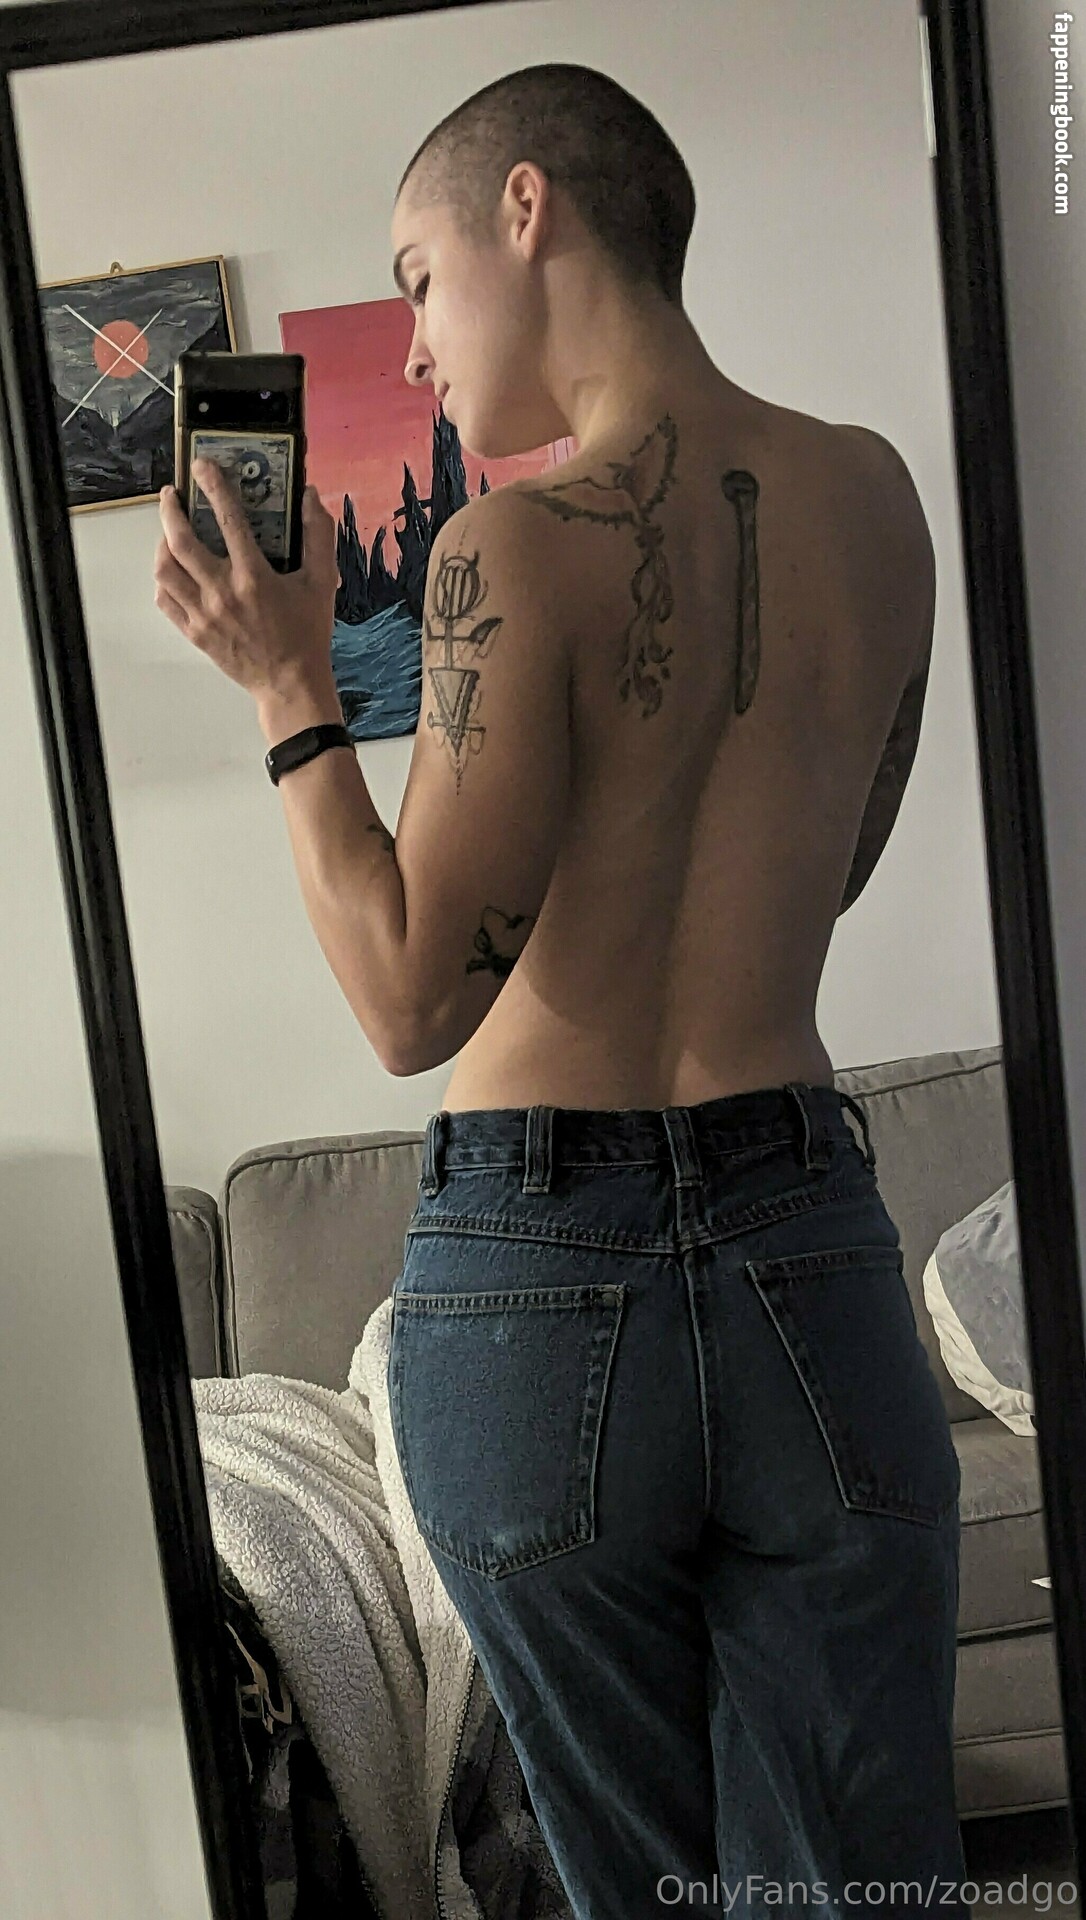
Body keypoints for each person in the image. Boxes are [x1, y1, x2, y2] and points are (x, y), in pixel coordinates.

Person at [385, 62, 970, 1919]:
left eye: (416, 278)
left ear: (527, 207)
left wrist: (288, 701)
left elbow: (405, 1003)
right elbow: (839, 861)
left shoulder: (498, 550)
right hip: (801, 1225)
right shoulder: (873, 497)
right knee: (858, 1882)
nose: (413, 346)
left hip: (536, 1265)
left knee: (634, 1884)